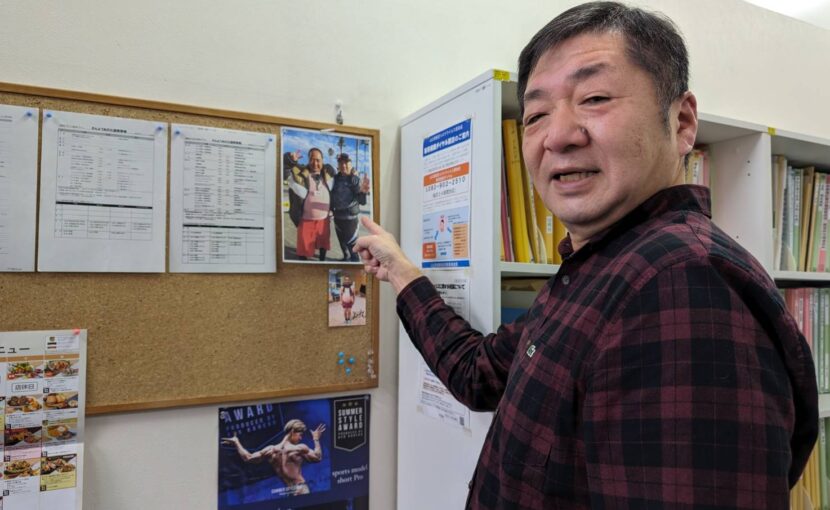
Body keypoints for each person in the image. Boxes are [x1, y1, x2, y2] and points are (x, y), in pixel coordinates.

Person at [355, 2, 818, 508]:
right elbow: (478, 372)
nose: (557, 136)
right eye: (536, 115)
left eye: (594, 98)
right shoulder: (598, 272)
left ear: (682, 122)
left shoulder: (681, 282)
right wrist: (399, 270)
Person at [221, 419, 326, 496]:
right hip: (298, 489)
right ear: (292, 432)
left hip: (291, 490)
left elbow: (248, 457)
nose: (301, 438)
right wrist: (316, 439)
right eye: (300, 434)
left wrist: (237, 442)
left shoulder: (271, 450)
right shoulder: (299, 448)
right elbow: (318, 457)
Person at [286, 148, 335, 261]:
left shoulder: (329, 175)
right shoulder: (300, 175)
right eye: (312, 159)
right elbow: (285, 172)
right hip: (306, 220)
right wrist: (290, 161)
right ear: (308, 160)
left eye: (318, 160)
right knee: (303, 250)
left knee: (323, 245)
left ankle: (322, 261)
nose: (315, 163)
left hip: (324, 221)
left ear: (322, 160)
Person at [330, 153, 370, 261]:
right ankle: (345, 258)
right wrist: (330, 209)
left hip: (350, 219)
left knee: (353, 246)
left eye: (346, 163)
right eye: (341, 163)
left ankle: (355, 263)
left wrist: (363, 192)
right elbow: (331, 195)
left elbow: (362, 202)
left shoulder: (354, 179)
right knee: (342, 242)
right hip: (338, 217)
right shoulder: (335, 179)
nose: (343, 165)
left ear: (350, 164)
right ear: (338, 165)